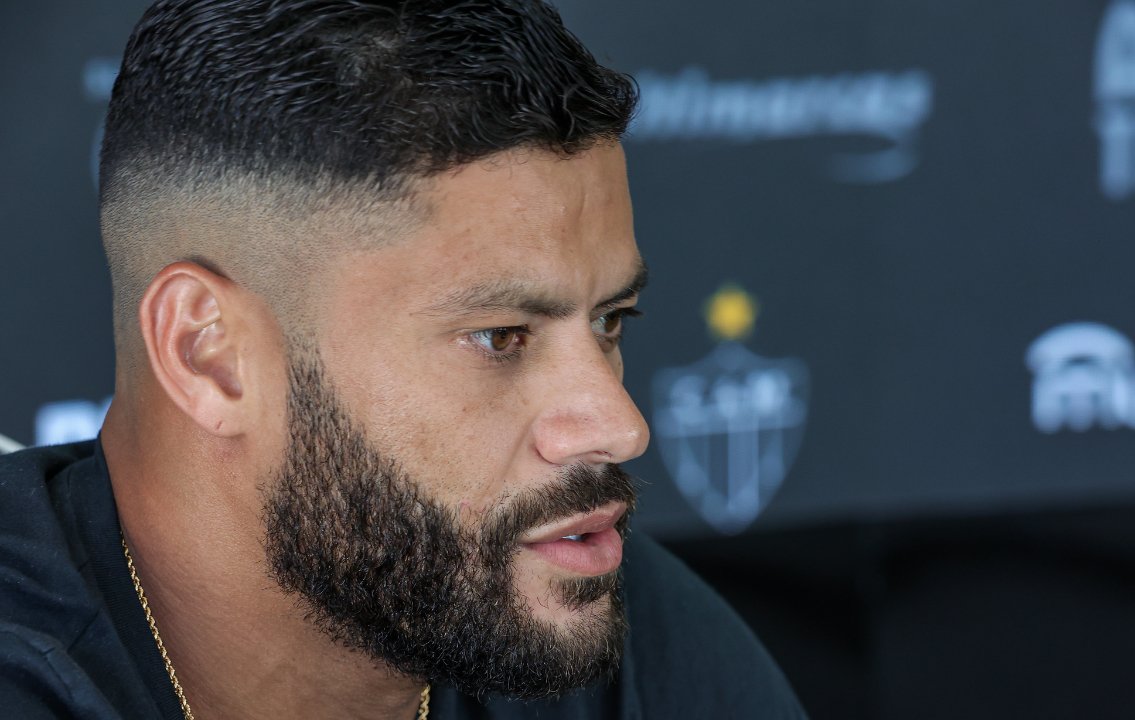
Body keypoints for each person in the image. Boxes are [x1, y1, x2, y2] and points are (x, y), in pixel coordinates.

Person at [0, 1, 805, 718]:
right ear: (209, 354)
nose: (621, 427)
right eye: (500, 338)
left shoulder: (625, 635)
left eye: (610, 321)